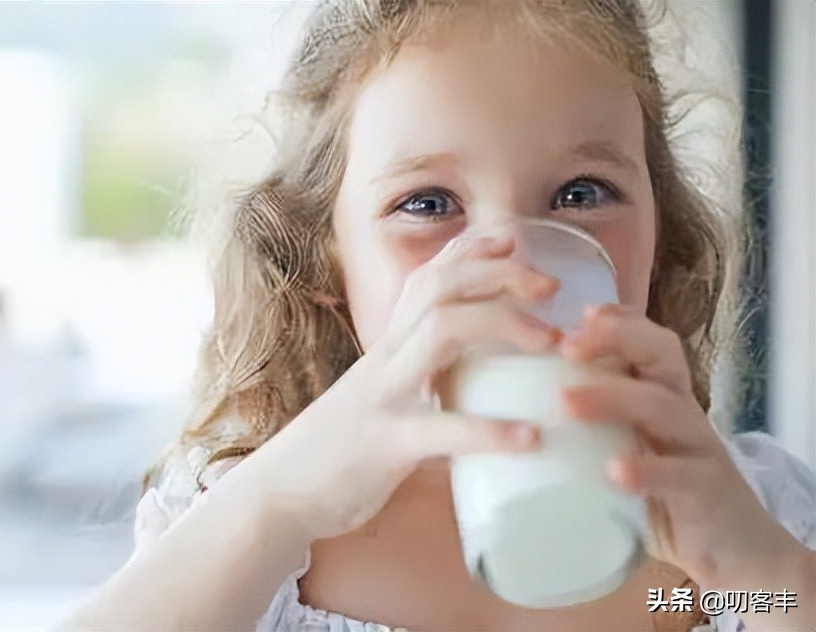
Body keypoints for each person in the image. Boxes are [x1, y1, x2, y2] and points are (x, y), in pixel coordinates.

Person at [57, 1, 816, 630]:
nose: (514, 265)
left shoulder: (743, 516)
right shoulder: (246, 539)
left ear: (662, 229)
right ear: (328, 263)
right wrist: (278, 506)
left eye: (581, 194)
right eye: (427, 205)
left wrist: (750, 570)